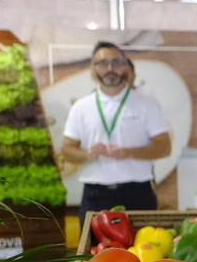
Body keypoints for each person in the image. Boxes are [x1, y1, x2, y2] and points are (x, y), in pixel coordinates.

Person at [60, 42, 171, 221]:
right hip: (95, 194)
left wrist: (130, 152)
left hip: (137, 192)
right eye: (103, 63)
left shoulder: (147, 103)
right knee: (94, 249)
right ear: (93, 68)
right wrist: (88, 154)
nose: (110, 68)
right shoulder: (81, 107)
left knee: (141, 249)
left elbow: (164, 147)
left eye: (116, 62)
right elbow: (67, 150)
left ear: (126, 66)